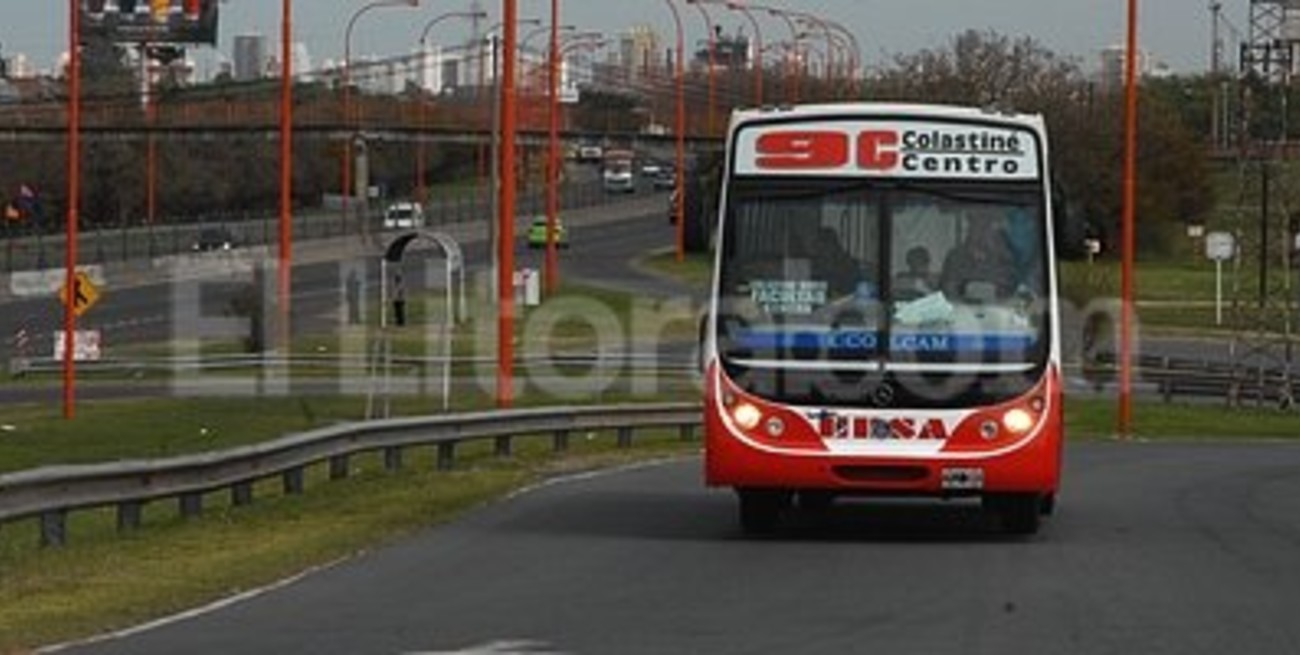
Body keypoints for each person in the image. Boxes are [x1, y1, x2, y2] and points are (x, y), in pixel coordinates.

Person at [939, 209, 1020, 302]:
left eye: (986, 225)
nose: (981, 231)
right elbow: (947, 292)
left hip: (997, 313)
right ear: (970, 228)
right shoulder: (955, 257)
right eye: (976, 224)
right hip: (961, 313)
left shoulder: (1004, 259)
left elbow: (1011, 292)